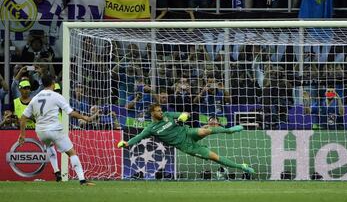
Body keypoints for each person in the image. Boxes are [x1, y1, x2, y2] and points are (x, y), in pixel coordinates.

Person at [116, 103, 255, 174]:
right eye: (158, 110)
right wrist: (127, 143)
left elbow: (184, 114)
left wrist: (183, 116)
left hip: (187, 132)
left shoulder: (168, 115)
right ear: (152, 113)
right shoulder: (151, 128)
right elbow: (139, 137)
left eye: (160, 109)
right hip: (186, 146)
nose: (161, 111)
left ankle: (228, 130)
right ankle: (241, 167)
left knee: (204, 131)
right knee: (214, 157)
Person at [18, 74, 95, 186]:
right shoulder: (56, 96)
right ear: (53, 84)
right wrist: (84, 117)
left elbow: (23, 117)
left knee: (49, 146)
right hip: (54, 129)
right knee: (71, 152)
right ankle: (82, 180)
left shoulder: (35, 98)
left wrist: (22, 135)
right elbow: (70, 113)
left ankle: (57, 172)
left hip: (40, 132)